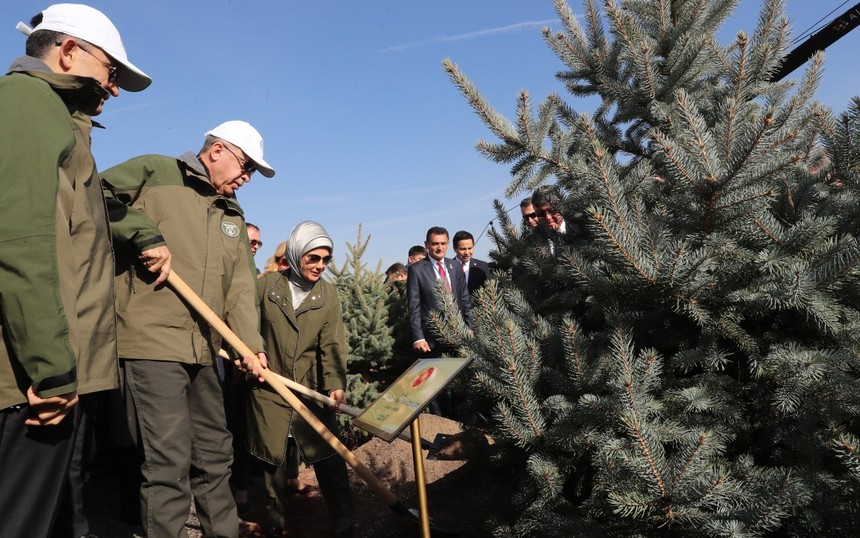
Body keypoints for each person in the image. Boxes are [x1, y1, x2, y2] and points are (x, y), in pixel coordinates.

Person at [0, 4, 151, 537]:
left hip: (45, 376)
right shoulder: (27, 102)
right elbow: (22, 239)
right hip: (33, 384)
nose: (112, 89)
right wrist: (51, 367)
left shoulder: (56, 118)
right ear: (68, 51)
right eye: (110, 71)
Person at [101, 120, 274, 538]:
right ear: (216, 150)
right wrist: (141, 232)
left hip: (204, 350)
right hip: (151, 342)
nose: (247, 177)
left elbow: (240, 288)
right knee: (167, 465)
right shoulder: (155, 172)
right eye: (246, 165)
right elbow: (91, 195)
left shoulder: (232, 213)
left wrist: (251, 345)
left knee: (216, 457)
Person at [246, 221, 354, 537]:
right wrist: (249, 354)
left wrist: (335, 384)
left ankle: (344, 525)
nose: (320, 266)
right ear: (296, 255)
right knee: (272, 466)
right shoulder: (266, 287)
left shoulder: (327, 294)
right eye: (313, 258)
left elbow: (332, 344)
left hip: (310, 390)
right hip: (268, 389)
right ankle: (275, 526)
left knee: (330, 459)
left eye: (325, 259)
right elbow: (245, 324)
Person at [407, 226, 471, 357]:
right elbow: (414, 306)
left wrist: (469, 327)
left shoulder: (455, 267)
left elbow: (465, 299)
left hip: (458, 332)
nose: (439, 248)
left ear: (448, 244)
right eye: (435, 243)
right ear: (427, 245)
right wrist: (418, 337)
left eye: (443, 243)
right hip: (431, 338)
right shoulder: (416, 270)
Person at [452, 230, 491, 294]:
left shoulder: (482, 267)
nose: (467, 253)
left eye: (470, 248)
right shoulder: (447, 266)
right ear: (454, 248)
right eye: (463, 249)